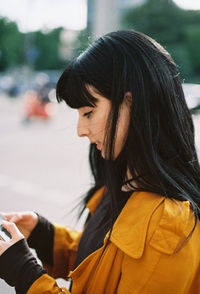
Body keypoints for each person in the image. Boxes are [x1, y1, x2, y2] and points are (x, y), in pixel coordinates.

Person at [0, 30, 200, 294]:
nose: (80, 130)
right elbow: (106, 263)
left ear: (132, 103)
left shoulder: (170, 225)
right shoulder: (122, 181)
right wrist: (45, 235)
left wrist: (25, 274)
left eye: (89, 112)